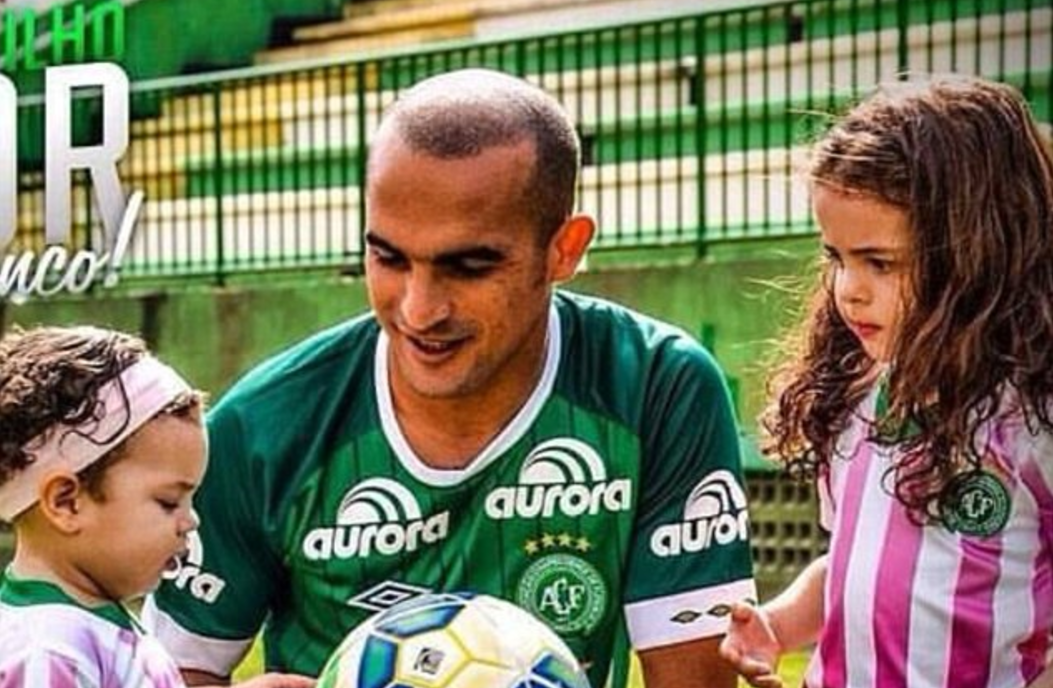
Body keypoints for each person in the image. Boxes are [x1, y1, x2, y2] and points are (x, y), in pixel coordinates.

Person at [143, 68, 756, 688]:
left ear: (564, 250)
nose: (419, 309)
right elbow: (173, 671)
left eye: (468, 266)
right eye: (389, 258)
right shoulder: (262, 428)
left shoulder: (656, 385)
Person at [718, 75, 1053, 688]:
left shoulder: (1031, 420)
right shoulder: (856, 398)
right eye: (836, 257)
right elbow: (853, 568)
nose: (850, 288)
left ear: (978, 253)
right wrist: (781, 623)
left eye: (880, 262)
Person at [0, 325, 313, 688]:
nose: (191, 521)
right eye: (169, 502)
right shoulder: (50, 650)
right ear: (66, 502)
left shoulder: (93, 624)